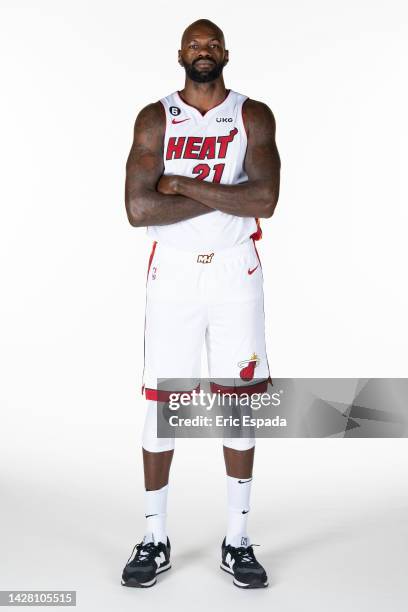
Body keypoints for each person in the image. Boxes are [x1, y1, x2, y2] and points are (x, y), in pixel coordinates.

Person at [121, 18, 280, 589]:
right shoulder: (155, 117)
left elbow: (265, 197)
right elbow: (139, 210)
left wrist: (181, 184)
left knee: (237, 403)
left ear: (226, 53)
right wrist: (226, 198)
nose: (204, 51)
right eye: (195, 44)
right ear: (181, 54)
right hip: (175, 276)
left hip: (237, 273)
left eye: (212, 44)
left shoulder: (251, 114)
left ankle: (237, 542)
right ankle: (154, 536)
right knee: (165, 403)